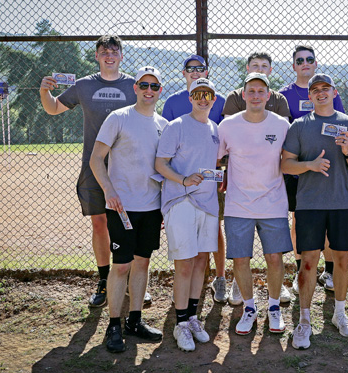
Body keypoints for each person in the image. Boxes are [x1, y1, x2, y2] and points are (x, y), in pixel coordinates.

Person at [39, 35, 151, 308]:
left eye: (114, 51)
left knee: (130, 223)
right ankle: (104, 279)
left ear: (122, 56)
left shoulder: (133, 85)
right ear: (97, 56)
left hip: (128, 168)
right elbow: (53, 109)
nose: (109, 55)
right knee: (100, 223)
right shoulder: (84, 85)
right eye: (104, 51)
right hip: (94, 165)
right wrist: (44, 91)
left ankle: (131, 280)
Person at [281, 74, 348, 350]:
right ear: (310, 96)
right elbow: (286, 165)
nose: (320, 93)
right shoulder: (299, 126)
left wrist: (347, 151)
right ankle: (304, 320)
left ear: (334, 92)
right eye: (315, 89)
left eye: (325, 88)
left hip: (342, 203)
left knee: (342, 260)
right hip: (309, 204)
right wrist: (310, 165)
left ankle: (339, 313)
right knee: (308, 263)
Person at [89, 66, 166, 353]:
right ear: (135, 88)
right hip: (121, 207)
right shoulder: (118, 118)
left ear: (160, 91)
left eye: (154, 86)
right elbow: (96, 159)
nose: (149, 90)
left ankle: (135, 320)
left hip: (151, 207)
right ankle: (114, 325)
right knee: (121, 265)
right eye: (144, 85)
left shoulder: (163, 124)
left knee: (142, 263)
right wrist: (109, 190)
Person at [218, 72, 293, 336]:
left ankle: (274, 307)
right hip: (238, 204)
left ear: (269, 95)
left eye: (261, 91)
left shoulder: (282, 125)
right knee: (241, 259)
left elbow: (290, 159)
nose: (256, 95)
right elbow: (215, 160)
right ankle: (249, 309)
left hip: (273, 202)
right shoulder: (227, 125)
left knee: (274, 257)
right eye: (251, 90)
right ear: (243, 94)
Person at [155, 78, 219, 352]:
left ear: (213, 99)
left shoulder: (215, 128)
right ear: (190, 98)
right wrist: (183, 180)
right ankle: (180, 322)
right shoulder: (177, 125)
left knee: (201, 261)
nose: (203, 99)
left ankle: (192, 317)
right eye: (198, 94)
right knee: (184, 262)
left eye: (208, 94)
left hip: (208, 203)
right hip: (181, 200)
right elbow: (160, 163)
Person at [161, 54, 229, 304]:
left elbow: (221, 150)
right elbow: (163, 157)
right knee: (185, 256)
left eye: (200, 68)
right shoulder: (175, 112)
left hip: (209, 191)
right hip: (181, 192)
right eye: (191, 69)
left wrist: (222, 173)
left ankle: (212, 286)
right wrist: (181, 179)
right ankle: (183, 308)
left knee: (207, 246)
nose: (203, 99)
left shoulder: (217, 117)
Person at [279, 45, 345, 294]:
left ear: (315, 63)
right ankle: (301, 272)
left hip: (326, 165)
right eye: (300, 60)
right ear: (293, 66)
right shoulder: (284, 95)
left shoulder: (328, 90)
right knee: (299, 220)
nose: (305, 63)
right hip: (299, 168)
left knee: (327, 221)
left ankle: (329, 271)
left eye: (309, 59)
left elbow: (340, 124)